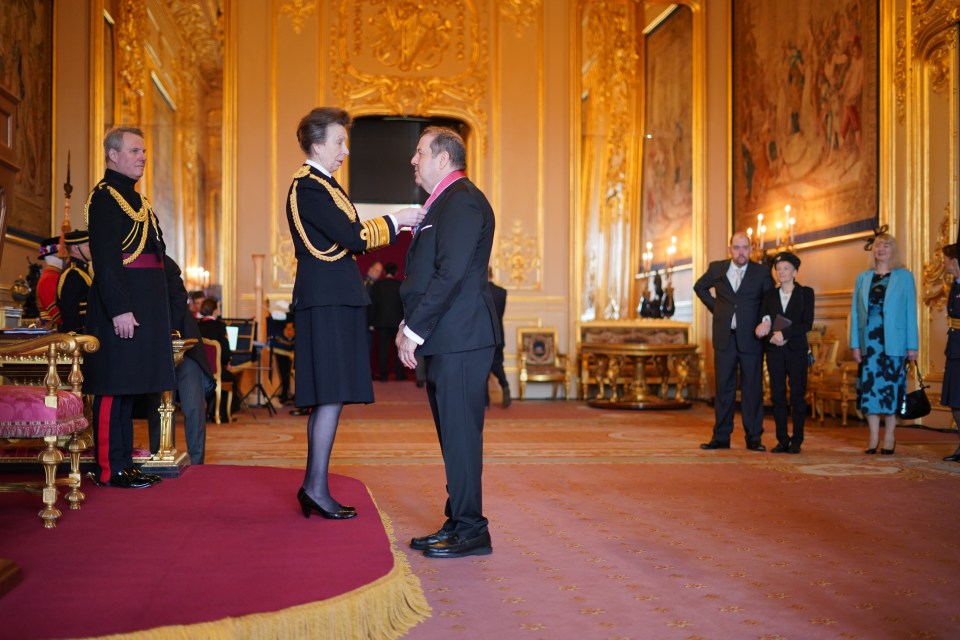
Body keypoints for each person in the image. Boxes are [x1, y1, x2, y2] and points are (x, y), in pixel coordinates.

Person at [286, 107, 423, 520]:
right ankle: (315, 488)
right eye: (339, 142)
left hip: (333, 297)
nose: (345, 150)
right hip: (327, 299)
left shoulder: (324, 185)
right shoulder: (309, 185)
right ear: (317, 144)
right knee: (329, 396)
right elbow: (351, 237)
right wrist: (395, 220)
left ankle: (314, 486)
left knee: (331, 397)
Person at [396, 126, 501, 558]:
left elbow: (451, 273)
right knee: (453, 436)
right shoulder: (447, 201)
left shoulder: (462, 201)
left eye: (420, 152)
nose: (414, 160)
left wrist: (412, 329)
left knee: (460, 436)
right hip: (451, 337)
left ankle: (472, 529)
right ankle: (459, 519)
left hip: (461, 337)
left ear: (443, 158)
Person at [82, 126, 175, 488]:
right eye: (135, 151)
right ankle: (108, 467)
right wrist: (120, 308)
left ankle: (123, 463)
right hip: (118, 308)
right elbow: (106, 260)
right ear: (113, 155)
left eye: (144, 151)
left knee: (128, 387)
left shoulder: (139, 201)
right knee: (111, 387)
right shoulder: (104, 198)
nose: (143, 157)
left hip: (143, 306)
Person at [694, 232, 774, 451]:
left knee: (752, 390)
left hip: (751, 340)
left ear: (750, 249)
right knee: (724, 390)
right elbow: (699, 287)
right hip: (724, 339)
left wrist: (765, 321)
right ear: (730, 249)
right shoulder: (717, 268)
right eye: (737, 248)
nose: (741, 252)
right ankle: (720, 438)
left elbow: (770, 301)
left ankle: (754, 438)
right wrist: (716, 308)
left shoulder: (762, 272)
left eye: (745, 248)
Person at [850, 231, 918, 455]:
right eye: (878, 246)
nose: (881, 250)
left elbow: (910, 313)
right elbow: (855, 314)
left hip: (895, 343)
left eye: (886, 246)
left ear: (893, 251)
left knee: (890, 390)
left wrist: (912, 345)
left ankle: (889, 437)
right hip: (869, 343)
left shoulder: (904, 277)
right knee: (870, 390)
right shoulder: (862, 277)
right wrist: (855, 344)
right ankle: (872, 437)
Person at [147, 256, 216, 465]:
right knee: (157, 406)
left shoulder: (165, 263)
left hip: (185, 346)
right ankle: (160, 457)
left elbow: (178, 302)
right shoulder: (129, 260)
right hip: (153, 347)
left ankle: (197, 462)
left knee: (193, 407)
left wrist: (164, 332)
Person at [755, 252, 814, 454]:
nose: (781, 272)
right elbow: (764, 318)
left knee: (797, 396)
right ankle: (782, 439)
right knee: (777, 396)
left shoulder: (806, 293)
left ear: (795, 271)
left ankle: (797, 440)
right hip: (774, 350)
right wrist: (771, 334)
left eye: (786, 268)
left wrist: (784, 333)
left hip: (797, 350)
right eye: (778, 269)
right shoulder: (769, 295)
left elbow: (807, 323)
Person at [197, 297, 240, 421]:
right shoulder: (220, 327)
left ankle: (209, 410)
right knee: (232, 379)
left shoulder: (196, 326)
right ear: (215, 311)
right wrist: (227, 363)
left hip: (199, 370)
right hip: (216, 371)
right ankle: (223, 413)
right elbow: (225, 352)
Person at [940, 243, 960, 463]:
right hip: (954, 348)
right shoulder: (955, 285)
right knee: (955, 400)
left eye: (945, 259)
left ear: (954, 260)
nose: (943, 263)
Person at [370, 262, 406, 382]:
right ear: (396, 273)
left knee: (382, 350)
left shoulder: (377, 285)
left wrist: (371, 322)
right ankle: (400, 375)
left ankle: (384, 376)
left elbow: (372, 305)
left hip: (380, 323)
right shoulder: (400, 286)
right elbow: (404, 306)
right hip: (398, 323)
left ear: (384, 272)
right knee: (399, 349)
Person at [57, 229, 93, 333]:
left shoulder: (83, 271)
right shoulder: (72, 274)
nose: (91, 249)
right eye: (88, 245)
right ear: (75, 248)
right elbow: (69, 312)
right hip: (79, 336)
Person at [487, 267, 511, 407]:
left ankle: (485, 402)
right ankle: (505, 384)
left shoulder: (480, 292)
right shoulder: (502, 292)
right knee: (497, 364)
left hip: (482, 335)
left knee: (481, 368)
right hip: (498, 334)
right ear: (492, 275)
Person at [35, 236, 63, 329]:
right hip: (54, 333)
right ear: (56, 256)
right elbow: (58, 316)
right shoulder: (49, 278)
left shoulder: (55, 276)